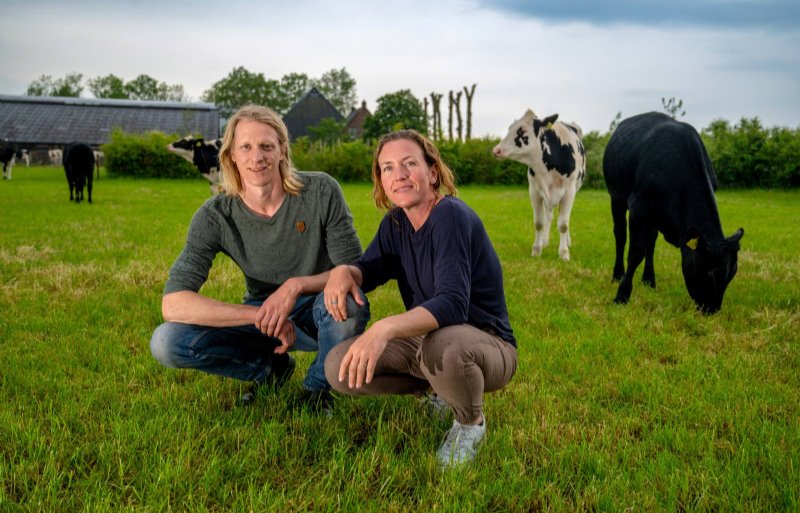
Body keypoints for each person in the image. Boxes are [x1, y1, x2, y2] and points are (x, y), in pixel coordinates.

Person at [149, 104, 369, 413]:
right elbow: (173, 303)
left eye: (267, 146)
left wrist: (293, 287)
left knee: (349, 301)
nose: (257, 156)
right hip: (261, 315)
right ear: (231, 156)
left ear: (282, 151)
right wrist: (260, 316)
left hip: (320, 310)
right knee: (166, 341)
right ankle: (270, 369)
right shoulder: (214, 215)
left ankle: (316, 390)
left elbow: (354, 271)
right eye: (246, 147)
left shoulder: (321, 191)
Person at [322, 129, 517, 468]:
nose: (399, 175)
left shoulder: (450, 216)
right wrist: (344, 272)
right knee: (339, 367)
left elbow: (453, 304)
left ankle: (469, 423)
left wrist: (382, 329)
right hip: (429, 343)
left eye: (409, 163)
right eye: (387, 167)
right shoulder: (396, 223)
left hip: (486, 346)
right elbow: (368, 270)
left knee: (444, 343)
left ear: (433, 172)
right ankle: (440, 393)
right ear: (381, 180)